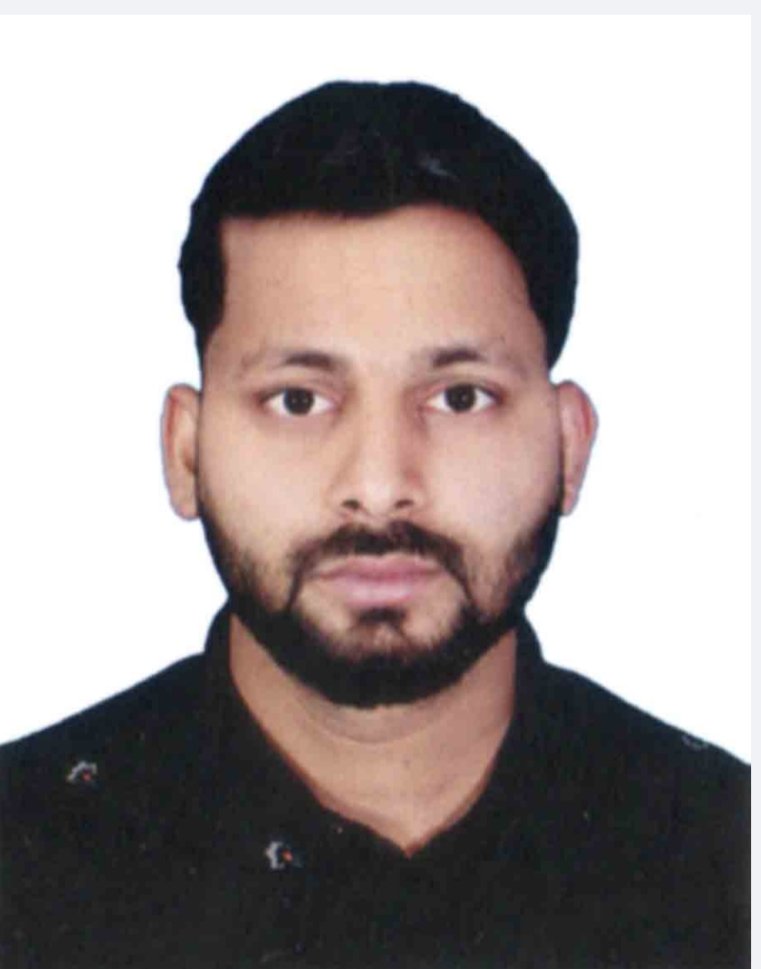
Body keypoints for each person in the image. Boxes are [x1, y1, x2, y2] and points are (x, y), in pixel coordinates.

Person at [0, 80, 748, 969]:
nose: (381, 486)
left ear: (568, 444)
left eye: (459, 397)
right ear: (186, 451)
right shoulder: (22, 857)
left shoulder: (723, 853)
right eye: (298, 399)